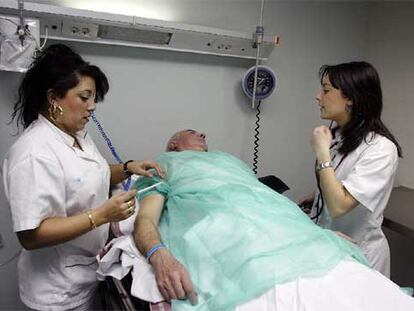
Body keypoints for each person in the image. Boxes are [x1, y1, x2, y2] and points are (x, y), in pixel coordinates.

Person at [132, 129, 413, 311]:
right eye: (193, 132)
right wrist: (159, 254)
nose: (203, 133)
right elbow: (146, 218)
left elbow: (268, 203)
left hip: (275, 222)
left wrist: (313, 233)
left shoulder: (230, 161)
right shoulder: (163, 164)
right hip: (218, 219)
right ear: (173, 144)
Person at [2, 44, 163, 310]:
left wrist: (126, 167)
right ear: (54, 98)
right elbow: (30, 236)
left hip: (84, 273)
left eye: (93, 98)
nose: (92, 107)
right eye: (84, 97)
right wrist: (102, 215)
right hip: (56, 289)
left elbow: (88, 175)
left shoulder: (76, 135)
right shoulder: (33, 154)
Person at [299, 61, 402, 277]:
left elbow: (339, 206)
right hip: (333, 248)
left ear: (351, 98)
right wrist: (317, 196)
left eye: (326, 90)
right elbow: (341, 182)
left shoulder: (381, 149)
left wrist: (322, 154)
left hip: (359, 255)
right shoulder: (340, 136)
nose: (318, 96)